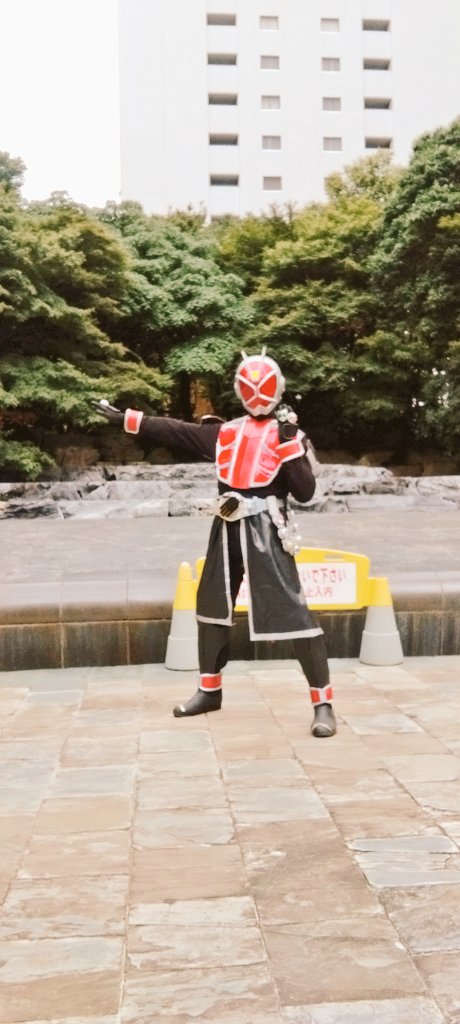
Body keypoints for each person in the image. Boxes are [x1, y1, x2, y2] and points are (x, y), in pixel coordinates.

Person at [93, 350, 336, 738]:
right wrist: (128, 418)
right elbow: (174, 430)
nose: (257, 393)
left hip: (267, 530)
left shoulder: (288, 435)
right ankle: (209, 690)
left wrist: (290, 447)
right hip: (226, 526)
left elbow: (305, 492)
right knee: (211, 608)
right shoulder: (226, 433)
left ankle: (322, 703)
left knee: (293, 613)